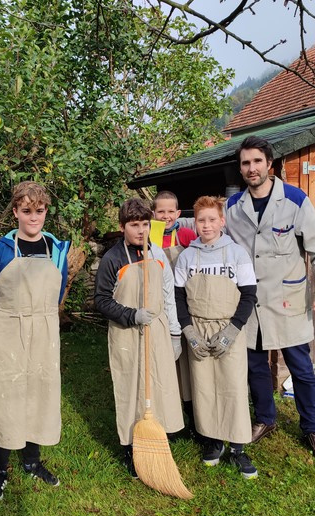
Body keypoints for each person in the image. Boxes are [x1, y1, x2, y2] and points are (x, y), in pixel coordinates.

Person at [225, 136, 315, 463]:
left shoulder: (294, 200)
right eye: (246, 163)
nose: (252, 168)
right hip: (250, 303)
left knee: (301, 368)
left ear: (269, 164)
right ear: (241, 169)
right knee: (255, 367)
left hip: (288, 299)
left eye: (257, 161)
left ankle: (314, 430)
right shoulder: (232, 207)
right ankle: (265, 418)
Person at [0, 181, 70, 505]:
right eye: (27, 211)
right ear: (16, 212)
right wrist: (13, 320)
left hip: (44, 333)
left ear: (46, 212)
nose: (34, 217)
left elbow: (58, 291)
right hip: (7, 331)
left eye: (40, 211)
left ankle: (32, 461)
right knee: (5, 396)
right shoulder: (0, 251)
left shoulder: (56, 250)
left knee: (39, 394)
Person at [93, 198, 184, 477]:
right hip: (127, 332)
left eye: (145, 224)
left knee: (158, 385)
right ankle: (131, 447)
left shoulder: (157, 254)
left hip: (157, 330)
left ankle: (157, 436)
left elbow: (168, 294)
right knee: (131, 388)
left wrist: (174, 332)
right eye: (134, 225)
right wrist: (132, 315)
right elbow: (101, 301)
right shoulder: (113, 259)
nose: (141, 230)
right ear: (122, 227)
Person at [174, 196, 258, 478]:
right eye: (201, 220)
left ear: (222, 221)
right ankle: (213, 441)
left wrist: (232, 331)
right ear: (194, 223)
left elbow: (249, 295)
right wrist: (189, 332)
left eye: (212, 219)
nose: (206, 225)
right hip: (198, 329)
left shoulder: (237, 254)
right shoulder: (188, 257)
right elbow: (178, 297)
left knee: (232, 386)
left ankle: (238, 447)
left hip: (228, 329)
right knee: (204, 388)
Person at [151, 190, 198, 438]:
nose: (166, 216)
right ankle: (166, 416)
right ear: (153, 214)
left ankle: (191, 415)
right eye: (161, 211)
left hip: (183, 304)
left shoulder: (187, 235)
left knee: (186, 367)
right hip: (158, 307)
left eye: (171, 211)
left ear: (178, 213)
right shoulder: (150, 236)